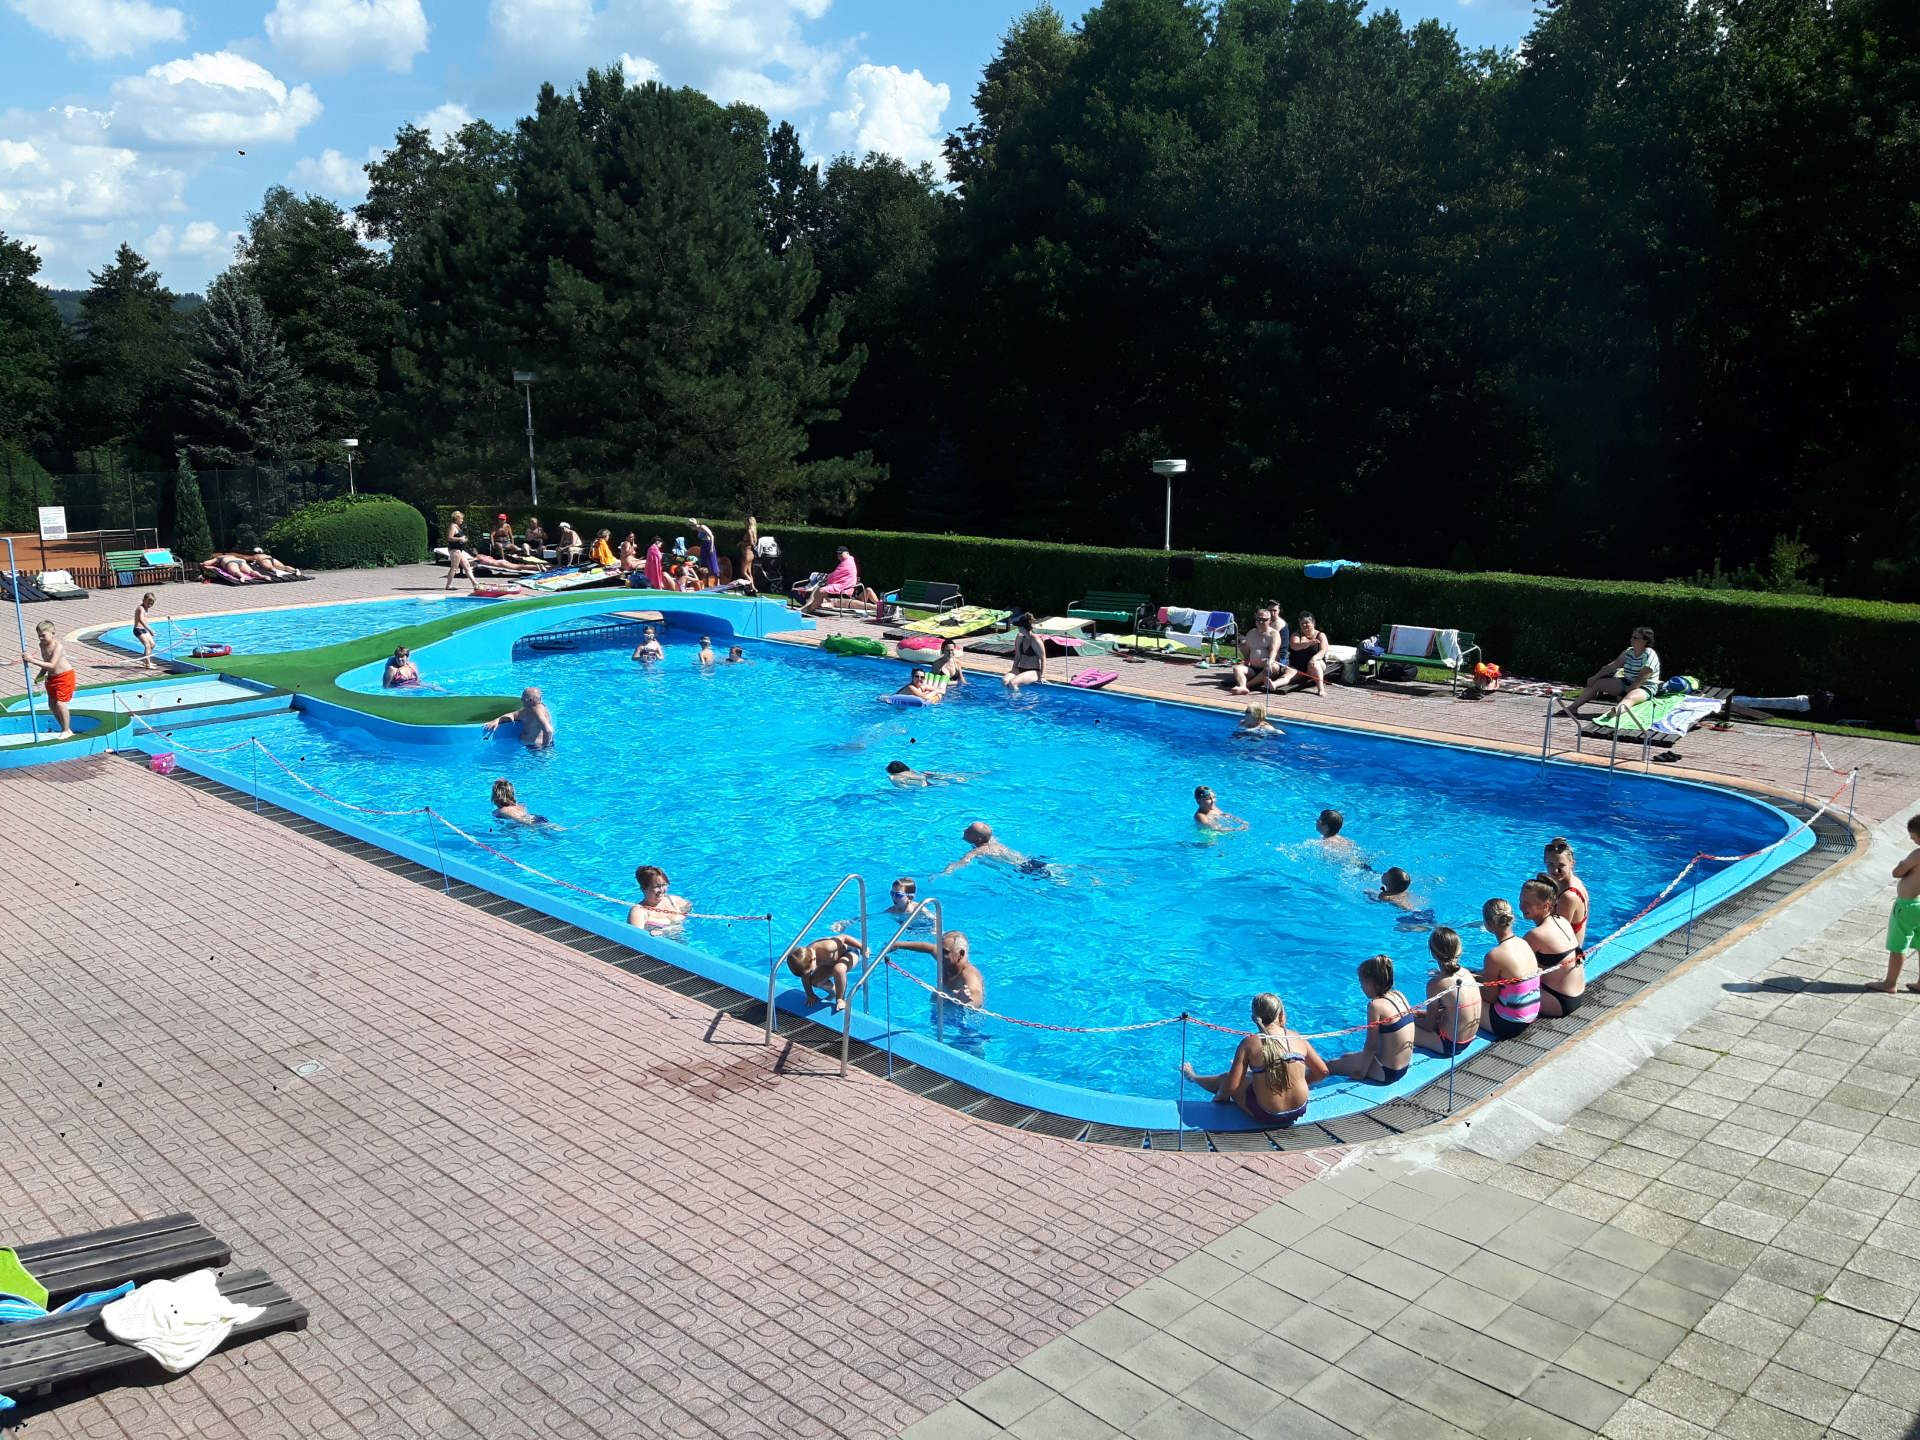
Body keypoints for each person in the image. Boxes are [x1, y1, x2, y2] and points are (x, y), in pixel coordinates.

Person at [1182, 993, 1329, 1127]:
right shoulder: (1296, 1037)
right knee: (1267, 1073)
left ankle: (1193, 1077)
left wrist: (1218, 1100)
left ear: (1253, 1018)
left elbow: (1232, 1086)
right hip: (1299, 1109)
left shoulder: (1249, 1043)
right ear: (1281, 1015)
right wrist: (1299, 1083)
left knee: (1226, 1078)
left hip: (1267, 1114)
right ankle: (1254, 1071)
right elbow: (1323, 1072)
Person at [1324, 955, 1417, 1083]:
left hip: (1387, 1072)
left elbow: (1371, 1045)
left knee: (1329, 1066)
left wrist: (1361, 1073)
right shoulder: (1399, 995)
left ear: (1371, 983)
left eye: (1361, 982)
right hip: (1403, 1067)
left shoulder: (1375, 1005)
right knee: (1346, 1056)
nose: (1361, 987)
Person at [1563, 626, 1661, 720]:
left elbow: (1644, 675)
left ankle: (1615, 713)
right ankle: (1572, 708)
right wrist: (1595, 677)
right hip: (1627, 682)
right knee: (1597, 683)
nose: (1632, 639)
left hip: (1644, 686)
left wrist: (1629, 690)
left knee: (1630, 697)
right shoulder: (1628, 652)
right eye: (1632, 637)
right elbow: (1612, 666)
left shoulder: (1650, 654)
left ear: (1645, 641)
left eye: (1635, 638)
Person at [1521, 876, 1585, 1017]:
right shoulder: (1562, 921)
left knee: (1503, 990)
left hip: (1558, 1002)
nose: (1522, 907)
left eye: (1528, 903)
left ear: (1546, 906)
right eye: (1521, 901)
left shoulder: (1536, 935)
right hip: (1577, 995)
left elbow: (1509, 969)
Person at [1479, 897, 1541, 1039]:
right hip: (1531, 1014)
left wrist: (1472, 984)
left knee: (1461, 998)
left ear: (1488, 924)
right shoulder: (1523, 943)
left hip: (1508, 1023)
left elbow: (1489, 997)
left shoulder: (1494, 955)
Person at [1872, 814, 1920, 993]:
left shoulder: (1917, 854)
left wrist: (1901, 864)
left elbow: (1897, 872)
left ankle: (1890, 983)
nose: (1911, 840)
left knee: (1898, 945)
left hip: (1907, 906)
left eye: (1912, 837)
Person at [1416, 927, 1481, 1056]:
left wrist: (1409, 1019)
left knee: (1398, 1027)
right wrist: (1421, 1014)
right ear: (1459, 950)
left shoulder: (1436, 984)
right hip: (1470, 1038)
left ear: (1433, 954)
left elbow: (1429, 1026)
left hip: (1449, 1044)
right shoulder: (1467, 974)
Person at [893, 930, 985, 1008]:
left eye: (945, 952)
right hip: (942, 1001)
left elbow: (977, 996)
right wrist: (897, 945)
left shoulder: (970, 974)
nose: (939, 954)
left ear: (961, 954)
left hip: (957, 1013)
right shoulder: (946, 958)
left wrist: (967, 1002)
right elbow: (930, 948)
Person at [21, 619, 75, 738]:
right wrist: (40, 675)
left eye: (43, 635)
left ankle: (66, 730)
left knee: (60, 703)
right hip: (51, 678)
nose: (41, 638)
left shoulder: (57, 646)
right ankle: (66, 728)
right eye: (39, 636)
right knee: (52, 705)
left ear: (53, 633)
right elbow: (46, 661)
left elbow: (52, 665)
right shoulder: (41, 645)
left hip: (65, 677)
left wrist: (31, 660)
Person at [786, 935, 866, 1011]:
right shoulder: (804, 961)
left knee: (838, 969)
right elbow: (805, 978)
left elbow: (845, 938)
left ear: (813, 959)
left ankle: (840, 998)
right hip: (830, 963)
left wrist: (862, 947)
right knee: (815, 982)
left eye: (810, 971)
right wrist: (810, 995)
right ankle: (834, 993)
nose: (808, 974)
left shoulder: (827, 947)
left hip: (849, 952)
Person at [1230, 606, 1294, 695]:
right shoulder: (1251, 633)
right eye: (1258, 619)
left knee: (1273, 667)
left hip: (1269, 668)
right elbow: (1248, 653)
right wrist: (1245, 660)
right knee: (1237, 668)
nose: (1260, 622)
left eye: (1264, 620)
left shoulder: (1274, 634)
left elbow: (1274, 651)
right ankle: (1242, 686)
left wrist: (1269, 662)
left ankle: (1246, 686)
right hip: (1253, 669)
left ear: (1270, 621)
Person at [943, 821, 1045, 876]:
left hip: (1023, 869)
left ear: (978, 839)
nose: (964, 830)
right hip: (1027, 860)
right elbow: (987, 832)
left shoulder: (979, 850)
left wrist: (947, 870)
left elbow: (964, 861)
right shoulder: (991, 840)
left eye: (969, 831)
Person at [800, 546, 878, 616]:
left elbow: (834, 576)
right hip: (849, 594)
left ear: (847, 553)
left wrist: (827, 578)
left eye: (841, 553)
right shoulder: (849, 562)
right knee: (868, 590)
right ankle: (880, 605)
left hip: (846, 595)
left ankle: (808, 609)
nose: (839, 556)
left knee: (821, 590)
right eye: (838, 554)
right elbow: (837, 576)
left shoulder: (847, 563)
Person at [482, 687, 554, 748]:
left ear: (530, 700)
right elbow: (513, 715)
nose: (521, 700)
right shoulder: (529, 709)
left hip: (538, 749)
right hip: (532, 747)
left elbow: (549, 730)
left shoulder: (537, 711)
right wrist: (497, 720)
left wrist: (545, 746)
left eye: (523, 699)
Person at [627, 865, 692, 932]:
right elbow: (637, 937)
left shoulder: (675, 901)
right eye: (656, 886)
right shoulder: (638, 912)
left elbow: (690, 908)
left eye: (664, 885)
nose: (662, 890)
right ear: (644, 888)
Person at [1281, 613, 1331, 696]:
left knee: (1314, 664)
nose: (1305, 625)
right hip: (1298, 666)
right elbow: (1294, 646)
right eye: (1302, 623)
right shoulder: (1296, 635)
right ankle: (1274, 684)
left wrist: (1314, 658)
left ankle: (1321, 689)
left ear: (1313, 623)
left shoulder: (1320, 635)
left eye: (1307, 622)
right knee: (1288, 675)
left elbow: (1324, 650)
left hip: (1316, 663)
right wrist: (1308, 643)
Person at [1004, 614, 1046, 689]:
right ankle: (1010, 696)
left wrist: (1042, 676)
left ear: (1023, 627)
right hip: (1020, 668)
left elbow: (1043, 658)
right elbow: (1017, 655)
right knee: (1005, 681)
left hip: (1033, 671)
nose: (1018, 628)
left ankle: (1017, 697)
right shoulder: (1019, 638)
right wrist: (1014, 669)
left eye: (1019, 626)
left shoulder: (1035, 639)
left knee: (1013, 683)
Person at [444, 511, 479, 591]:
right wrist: (460, 538)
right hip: (455, 550)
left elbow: (459, 537)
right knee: (454, 567)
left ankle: (475, 584)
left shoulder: (457, 526)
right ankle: (448, 586)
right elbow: (449, 538)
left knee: (467, 566)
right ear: (457, 518)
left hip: (459, 550)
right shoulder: (453, 526)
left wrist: (464, 539)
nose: (462, 520)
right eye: (461, 519)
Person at [132, 592, 158, 671]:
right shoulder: (141, 608)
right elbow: (141, 619)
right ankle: (147, 664)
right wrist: (149, 630)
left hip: (143, 629)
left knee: (152, 644)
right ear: (143, 600)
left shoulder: (146, 608)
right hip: (138, 629)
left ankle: (145, 659)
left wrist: (147, 629)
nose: (149, 605)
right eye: (148, 603)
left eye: (151, 604)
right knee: (147, 645)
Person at [689, 518, 720, 583]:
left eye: (690, 526)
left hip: (709, 544)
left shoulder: (702, 527)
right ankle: (706, 580)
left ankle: (717, 580)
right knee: (704, 562)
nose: (690, 528)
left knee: (712, 562)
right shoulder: (697, 529)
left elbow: (712, 536)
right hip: (703, 545)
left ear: (693, 525)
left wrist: (711, 547)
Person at [738, 515, 758, 591]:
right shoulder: (754, 530)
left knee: (743, 572)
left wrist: (742, 543)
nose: (744, 523)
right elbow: (754, 542)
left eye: (745, 522)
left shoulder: (749, 530)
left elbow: (751, 543)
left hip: (746, 553)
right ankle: (752, 587)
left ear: (749, 522)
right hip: (751, 553)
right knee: (749, 572)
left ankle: (752, 587)